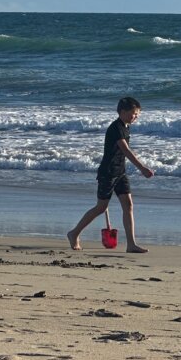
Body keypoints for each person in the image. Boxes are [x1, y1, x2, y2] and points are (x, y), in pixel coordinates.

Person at [67, 97, 155, 253]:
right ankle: (74, 233)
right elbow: (126, 150)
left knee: (128, 205)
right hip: (108, 173)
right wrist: (142, 168)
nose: (136, 117)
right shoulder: (116, 128)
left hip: (120, 172)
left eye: (137, 114)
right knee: (101, 207)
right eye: (133, 113)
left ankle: (131, 244)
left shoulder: (125, 126)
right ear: (122, 112)